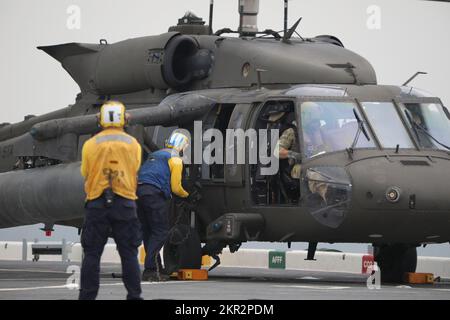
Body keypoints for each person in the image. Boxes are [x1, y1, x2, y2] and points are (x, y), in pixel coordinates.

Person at [79, 101, 143, 300]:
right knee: (129, 254)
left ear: (101, 120)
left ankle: (87, 297)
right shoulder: (133, 144)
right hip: (124, 203)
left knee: (91, 254)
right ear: (124, 119)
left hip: (97, 202)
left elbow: (85, 172)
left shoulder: (90, 145)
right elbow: (135, 169)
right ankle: (134, 296)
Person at [137, 131, 190, 282]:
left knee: (148, 232)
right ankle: (150, 270)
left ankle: (156, 268)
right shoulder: (176, 159)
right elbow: (176, 187)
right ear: (181, 146)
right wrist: (187, 195)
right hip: (154, 193)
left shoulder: (155, 154)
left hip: (138, 192)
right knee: (160, 231)